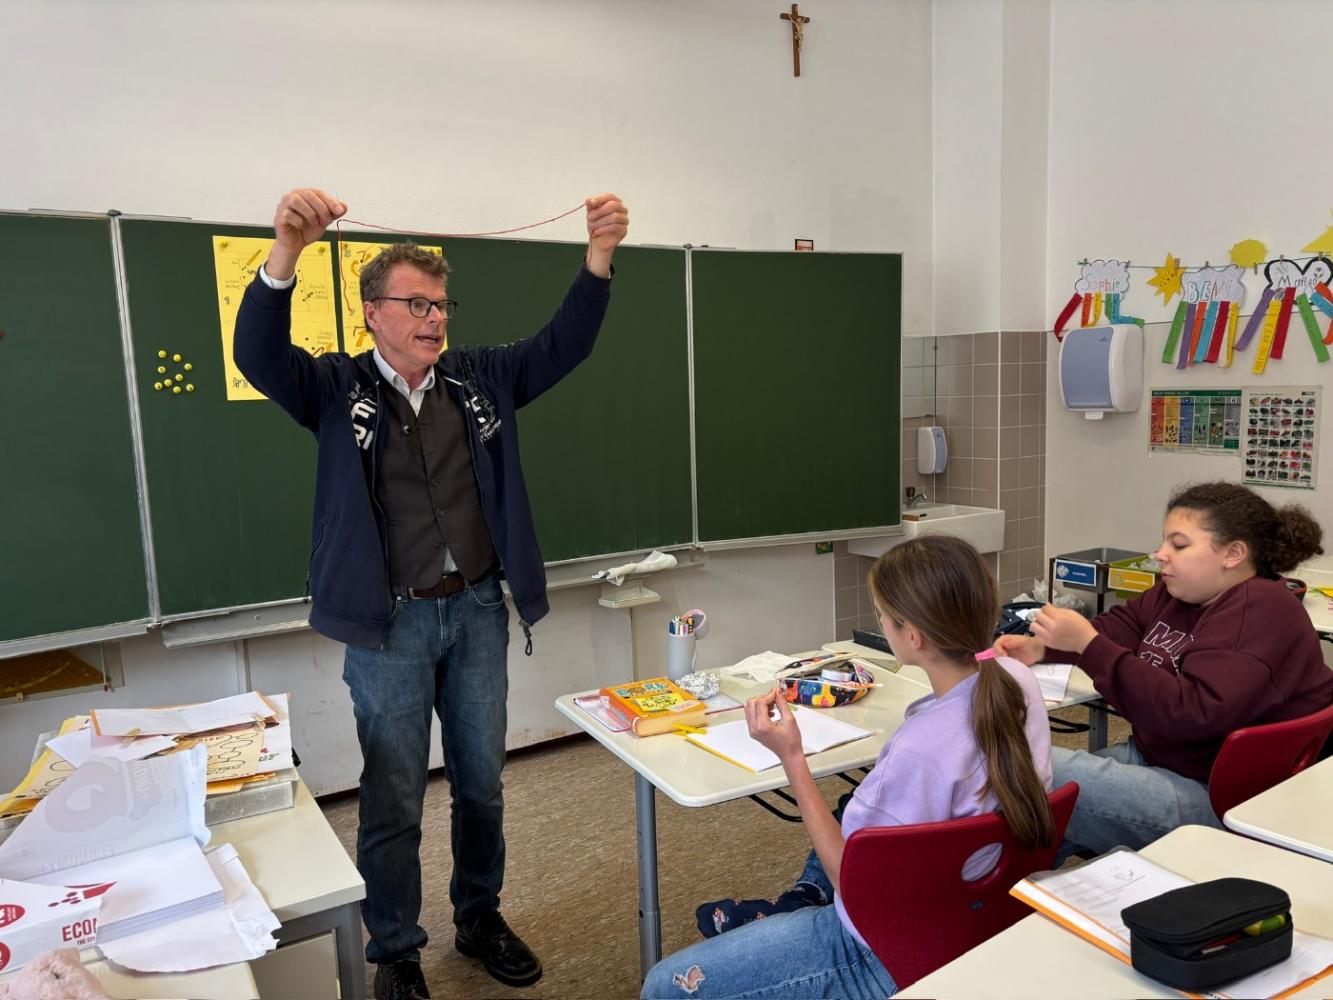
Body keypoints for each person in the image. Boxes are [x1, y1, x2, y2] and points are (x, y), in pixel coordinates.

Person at [234, 187, 628, 1000]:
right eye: (416, 304)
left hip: (477, 609)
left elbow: (565, 344)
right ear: (371, 313)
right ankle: (396, 951)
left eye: (441, 304)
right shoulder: (335, 388)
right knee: (393, 797)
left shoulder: (479, 380)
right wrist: (285, 253)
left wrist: (598, 259)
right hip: (390, 626)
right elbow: (258, 356)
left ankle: (479, 918)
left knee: (481, 784)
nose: (435, 318)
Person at [641, 536, 1055, 999]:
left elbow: (852, 882)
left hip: (892, 946)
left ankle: (802, 910)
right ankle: (799, 901)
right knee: (849, 807)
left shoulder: (919, 749)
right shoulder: (1018, 680)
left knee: (664, 986)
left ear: (913, 637)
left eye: (881, 615)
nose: (879, 622)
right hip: (986, 911)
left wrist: (792, 757)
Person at [996, 481, 1333, 860]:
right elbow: (1120, 627)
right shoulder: (1182, 592)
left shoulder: (1260, 611)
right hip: (1163, 759)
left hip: (1218, 798)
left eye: (1179, 545)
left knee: (1016, 765)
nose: (1160, 555)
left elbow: (1188, 713)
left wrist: (1087, 645)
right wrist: (1043, 648)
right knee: (1029, 799)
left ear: (1233, 553)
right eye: (1164, 542)